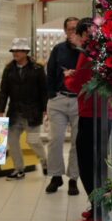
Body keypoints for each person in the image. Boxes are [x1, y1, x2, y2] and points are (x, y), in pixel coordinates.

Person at [64, 17, 112, 221]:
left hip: (91, 114)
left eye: (77, 32)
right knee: (97, 163)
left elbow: (77, 84)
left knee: (88, 165)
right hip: (103, 113)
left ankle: (98, 212)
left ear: (85, 34)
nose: (75, 37)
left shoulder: (88, 54)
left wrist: (68, 78)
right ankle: (98, 208)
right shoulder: (103, 52)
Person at [0, 38, 48, 180]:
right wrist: (0, 110)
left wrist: (45, 108)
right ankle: (19, 169)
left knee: (33, 141)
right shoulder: (8, 69)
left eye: (18, 50)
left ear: (26, 52)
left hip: (33, 113)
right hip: (14, 113)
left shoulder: (37, 69)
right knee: (12, 142)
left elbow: (44, 90)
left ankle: (45, 162)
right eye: (13, 50)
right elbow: (3, 91)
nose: (15, 53)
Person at [45, 17, 81, 195]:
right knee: (55, 140)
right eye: (70, 29)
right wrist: (51, 95)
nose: (73, 31)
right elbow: (50, 73)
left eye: (76, 28)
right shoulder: (58, 49)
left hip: (79, 100)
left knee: (76, 142)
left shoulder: (87, 50)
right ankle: (56, 175)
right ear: (65, 31)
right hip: (59, 98)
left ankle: (73, 178)